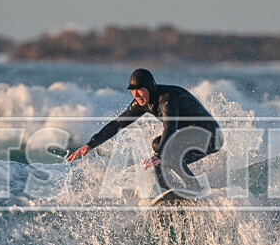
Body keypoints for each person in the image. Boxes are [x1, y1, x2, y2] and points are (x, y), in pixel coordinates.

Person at [66, 68, 222, 193]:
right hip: (190, 136)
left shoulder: (167, 98)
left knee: (163, 154)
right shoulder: (141, 103)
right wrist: (91, 144)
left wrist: (159, 155)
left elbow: (171, 127)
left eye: (140, 90)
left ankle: (195, 189)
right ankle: (170, 192)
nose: (136, 94)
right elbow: (117, 124)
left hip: (210, 137)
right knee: (158, 147)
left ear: (149, 87)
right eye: (133, 91)